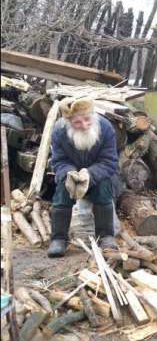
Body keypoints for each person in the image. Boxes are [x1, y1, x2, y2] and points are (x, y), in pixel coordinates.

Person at [48, 97, 120, 258]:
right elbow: (59, 161)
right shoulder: (59, 132)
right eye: (77, 123)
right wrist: (69, 175)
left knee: (104, 189)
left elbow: (109, 161)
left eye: (87, 119)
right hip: (71, 174)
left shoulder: (106, 127)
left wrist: (89, 174)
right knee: (61, 192)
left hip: (100, 173)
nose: (84, 125)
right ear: (68, 122)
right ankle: (59, 238)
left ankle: (106, 236)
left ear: (92, 115)